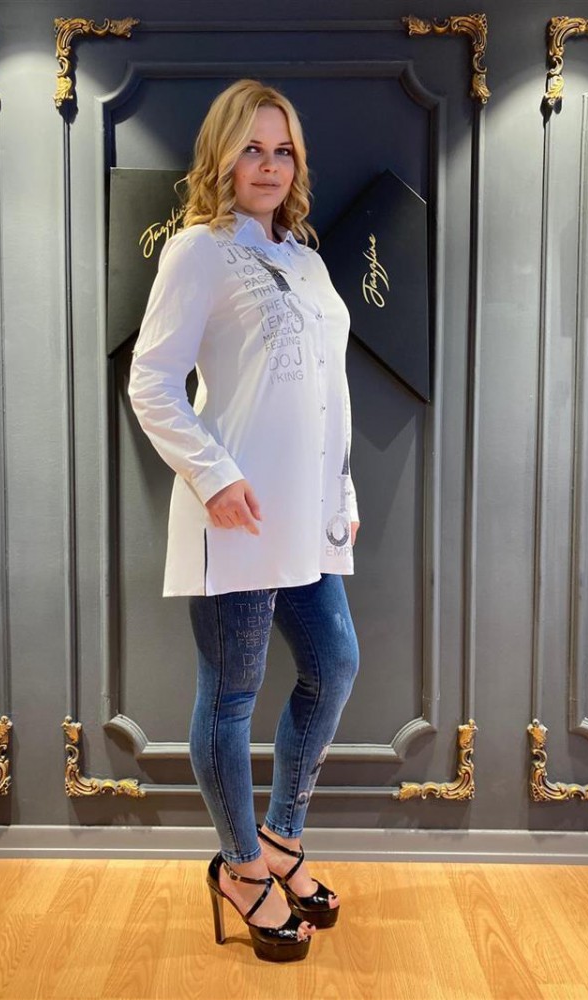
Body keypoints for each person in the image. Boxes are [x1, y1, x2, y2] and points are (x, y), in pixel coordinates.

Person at [128, 79, 361, 963]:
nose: (269, 166)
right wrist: (214, 476)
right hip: (234, 518)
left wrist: (343, 495)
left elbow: (332, 394)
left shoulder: (306, 260)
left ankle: (282, 839)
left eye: (283, 150)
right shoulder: (197, 250)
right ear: (221, 156)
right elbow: (152, 383)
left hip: (308, 518)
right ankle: (240, 867)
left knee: (334, 666)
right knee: (230, 699)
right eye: (252, 149)